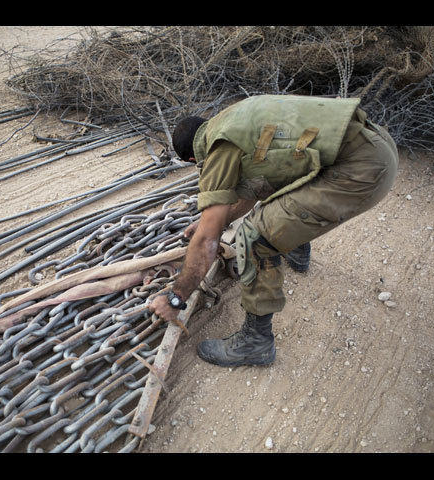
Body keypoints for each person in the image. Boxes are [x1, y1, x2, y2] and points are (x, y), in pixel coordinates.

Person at [148, 94, 398, 368]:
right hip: (377, 143)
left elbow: (207, 241)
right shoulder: (233, 120)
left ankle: (256, 342)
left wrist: (176, 297)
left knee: (254, 237)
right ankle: (297, 252)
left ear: (194, 157)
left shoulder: (217, 149)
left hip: (361, 170)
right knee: (276, 197)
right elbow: (255, 187)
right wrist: (215, 219)